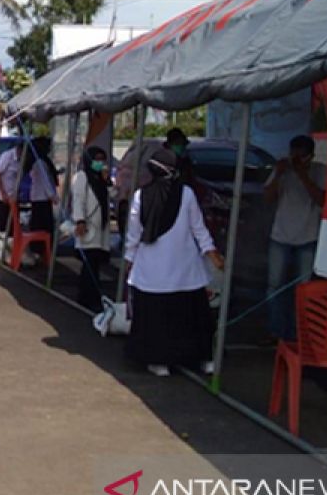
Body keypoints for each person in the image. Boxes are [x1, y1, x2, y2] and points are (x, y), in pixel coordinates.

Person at [124, 147, 225, 377]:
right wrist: (211, 252)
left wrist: (129, 259)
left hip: (152, 272)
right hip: (185, 271)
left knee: (156, 319)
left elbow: (134, 233)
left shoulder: (142, 196)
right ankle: (203, 358)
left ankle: (158, 362)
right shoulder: (187, 194)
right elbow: (199, 229)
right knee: (193, 317)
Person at [264, 134, 327, 341]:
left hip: (308, 236)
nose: (297, 160)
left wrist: (303, 175)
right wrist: (280, 173)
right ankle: (276, 331)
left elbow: (322, 199)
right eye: (294, 155)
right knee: (274, 286)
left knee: (304, 289)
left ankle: (301, 333)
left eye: (302, 156)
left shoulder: (319, 171)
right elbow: (267, 198)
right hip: (280, 235)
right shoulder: (283, 169)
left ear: (310, 155)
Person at [71, 146, 112, 311]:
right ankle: (86, 297)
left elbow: (112, 195)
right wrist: (79, 220)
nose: (100, 163)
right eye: (97, 159)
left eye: (103, 159)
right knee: (89, 263)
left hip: (100, 227)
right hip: (87, 225)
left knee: (95, 263)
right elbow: (78, 200)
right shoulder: (82, 177)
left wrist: (107, 180)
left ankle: (92, 295)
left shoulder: (101, 180)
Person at [25, 136, 59, 262]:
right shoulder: (40, 163)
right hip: (42, 199)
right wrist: (52, 196)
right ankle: (42, 252)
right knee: (44, 227)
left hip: (39, 198)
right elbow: (46, 181)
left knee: (39, 226)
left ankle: (41, 251)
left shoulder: (39, 161)